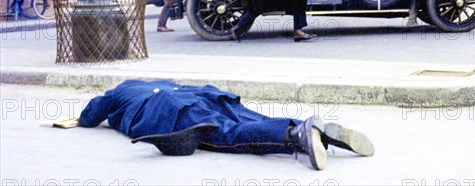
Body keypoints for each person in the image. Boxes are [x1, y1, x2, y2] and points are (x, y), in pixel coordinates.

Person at [76, 79, 373, 170]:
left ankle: (297, 135)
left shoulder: (118, 92)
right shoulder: (154, 81)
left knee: (230, 135)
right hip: (203, 93)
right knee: (254, 118)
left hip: (172, 109)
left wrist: (82, 118)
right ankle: (310, 126)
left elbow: (91, 115)